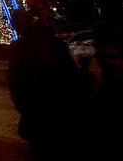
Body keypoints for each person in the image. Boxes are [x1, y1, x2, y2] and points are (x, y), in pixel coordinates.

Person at [8, 10, 85, 160]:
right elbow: (71, 74)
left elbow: (16, 84)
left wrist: (25, 108)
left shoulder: (18, 48)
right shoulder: (54, 43)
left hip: (37, 114)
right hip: (61, 111)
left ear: (16, 26)